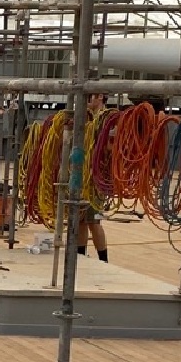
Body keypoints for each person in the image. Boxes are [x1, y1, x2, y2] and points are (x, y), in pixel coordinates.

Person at [76, 92, 109, 263]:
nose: (89, 100)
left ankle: (103, 260)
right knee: (80, 219)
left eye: (93, 96)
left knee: (94, 221)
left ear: (101, 97)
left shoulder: (106, 120)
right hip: (82, 174)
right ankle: (80, 257)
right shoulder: (86, 118)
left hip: (96, 177)